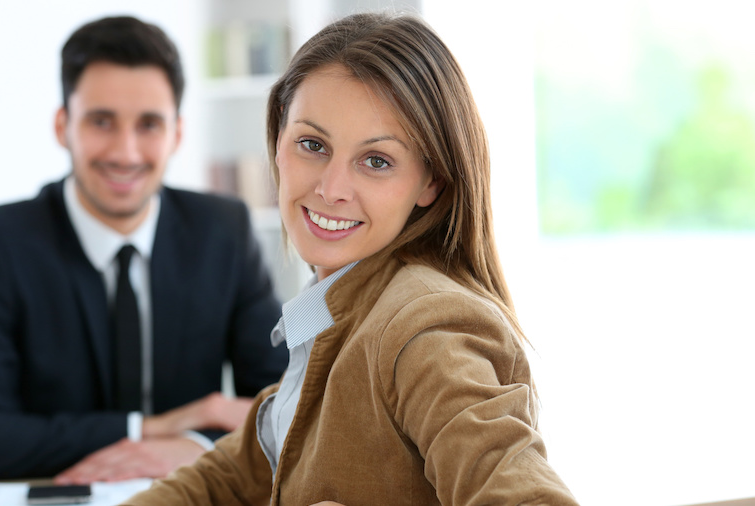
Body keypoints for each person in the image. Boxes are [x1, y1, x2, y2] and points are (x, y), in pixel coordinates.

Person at [122, 11, 579, 505]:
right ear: (278, 143)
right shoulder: (335, 312)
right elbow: (226, 478)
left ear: (432, 181)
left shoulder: (425, 325)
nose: (331, 189)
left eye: (376, 161)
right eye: (312, 145)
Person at [0, 16, 287, 483]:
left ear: (177, 134)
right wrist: (146, 430)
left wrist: (195, 448)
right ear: (63, 126)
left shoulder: (223, 231)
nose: (126, 152)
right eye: (101, 121)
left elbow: (288, 407)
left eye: (149, 125)